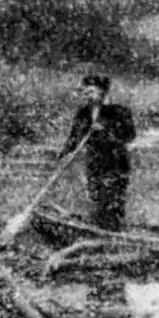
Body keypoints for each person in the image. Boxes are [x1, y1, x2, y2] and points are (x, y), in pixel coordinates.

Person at [59, 75, 136, 232]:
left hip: (115, 164)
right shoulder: (83, 114)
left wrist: (106, 130)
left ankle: (113, 233)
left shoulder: (119, 112)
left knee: (112, 201)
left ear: (102, 92)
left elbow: (129, 135)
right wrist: (64, 155)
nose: (86, 96)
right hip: (95, 164)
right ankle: (100, 231)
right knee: (96, 198)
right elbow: (73, 138)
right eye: (84, 92)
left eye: (91, 92)